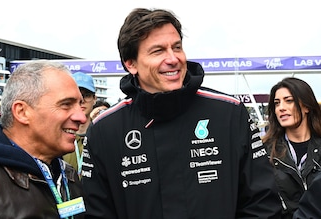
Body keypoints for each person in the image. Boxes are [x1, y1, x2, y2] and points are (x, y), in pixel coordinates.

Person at [81, 8, 281, 219]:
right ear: (131, 64)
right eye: (158, 51)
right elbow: (96, 213)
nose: (173, 58)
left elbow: (263, 205)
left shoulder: (230, 113)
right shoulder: (104, 130)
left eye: (177, 47)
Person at [0, 60, 87, 218]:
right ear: (22, 112)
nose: (81, 117)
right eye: (66, 104)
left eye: (81, 104)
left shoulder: (68, 176)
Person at [262, 77, 321, 219]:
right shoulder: (263, 152)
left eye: (289, 101)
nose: (281, 107)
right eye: (277, 103)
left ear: (306, 106)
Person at [63, 72, 96, 177]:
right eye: (76, 96)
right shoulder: (59, 136)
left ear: (95, 99)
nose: (82, 101)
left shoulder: (103, 134)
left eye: (87, 95)